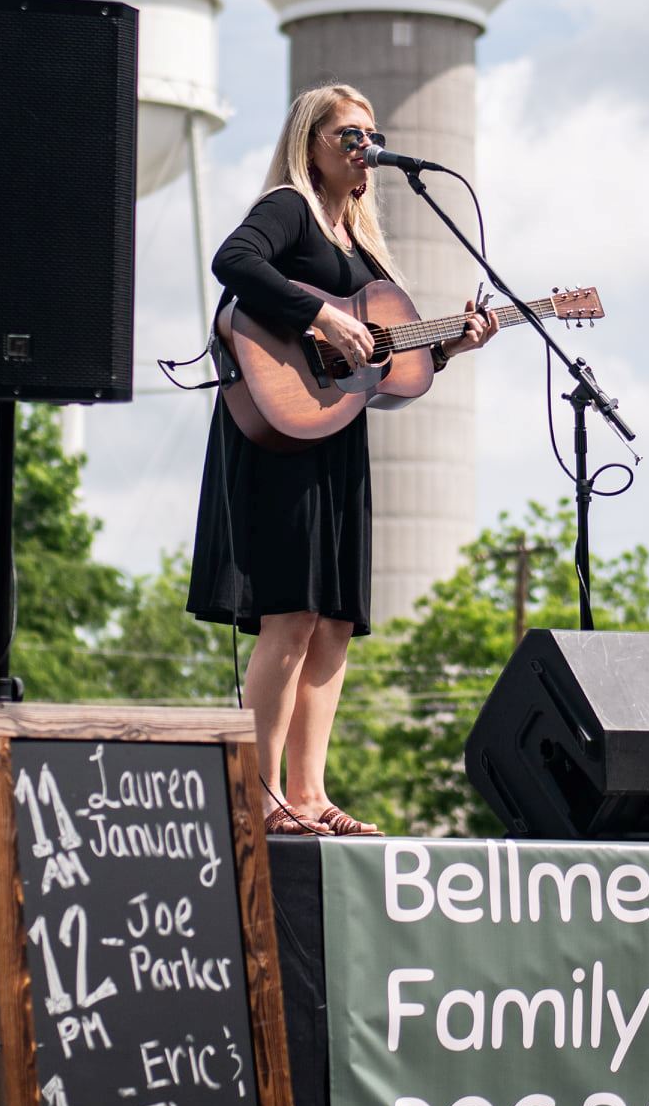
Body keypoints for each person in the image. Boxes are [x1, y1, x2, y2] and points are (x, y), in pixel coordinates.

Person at [186, 83, 498, 836]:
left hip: (337, 441)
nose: (365, 147)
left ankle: (309, 793)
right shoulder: (289, 208)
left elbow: (379, 361)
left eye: (371, 134)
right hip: (279, 434)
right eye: (349, 136)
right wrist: (321, 313)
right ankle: (257, 797)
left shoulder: (359, 244)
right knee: (288, 616)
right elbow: (234, 260)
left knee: (331, 623)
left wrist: (450, 343)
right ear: (311, 144)